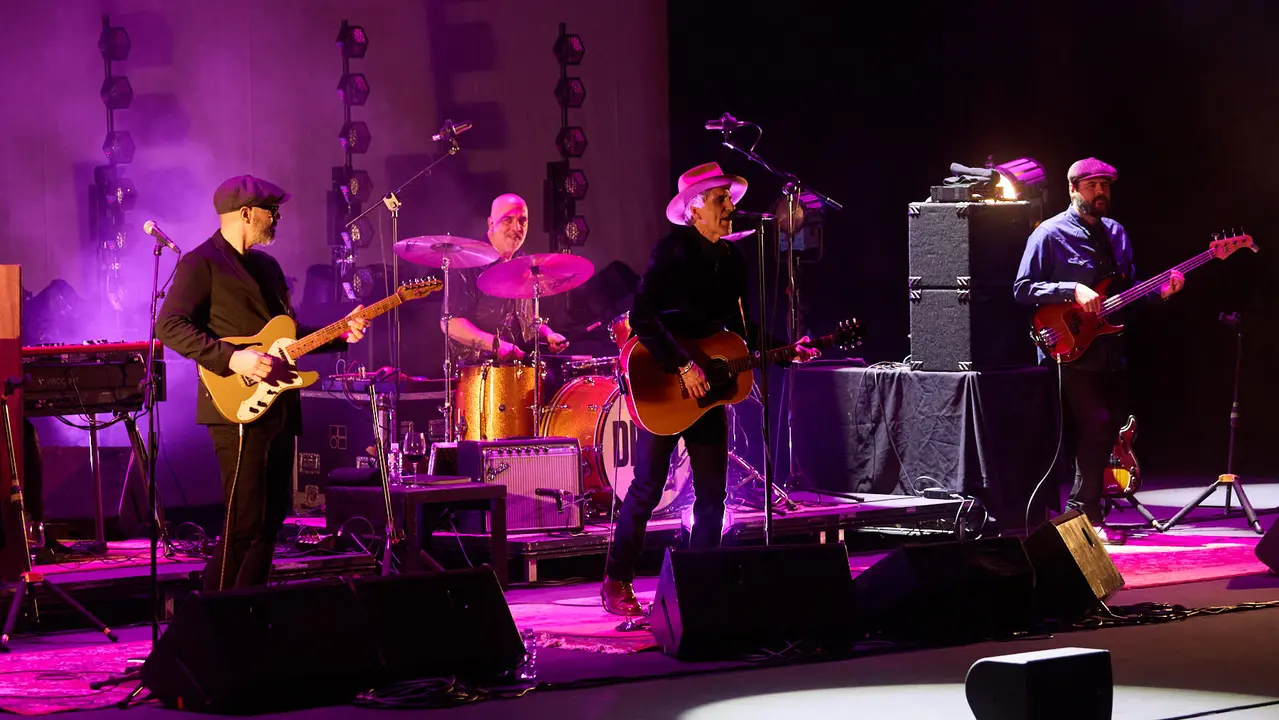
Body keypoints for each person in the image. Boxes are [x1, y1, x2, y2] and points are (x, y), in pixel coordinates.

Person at [600, 163, 819, 615]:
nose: (730, 207)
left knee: (712, 495)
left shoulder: (733, 261)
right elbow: (642, 318)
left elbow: (741, 331)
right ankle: (616, 580)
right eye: (721, 200)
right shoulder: (671, 252)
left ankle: (698, 583)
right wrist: (682, 365)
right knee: (646, 487)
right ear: (694, 207)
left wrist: (783, 348)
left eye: (730, 199)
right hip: (665, 379)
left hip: (709, 393)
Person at [157, 175, 370, 590]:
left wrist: (339, 334)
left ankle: (246, 609)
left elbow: (286, 336)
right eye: (272, 212)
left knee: (271, 520)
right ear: (246, 213)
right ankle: (211, 616)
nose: (278, 219)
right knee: (244, 519)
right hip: (235, 406)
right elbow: (168, 325)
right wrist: (233, 357)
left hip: (280, 406)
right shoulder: (200, 264)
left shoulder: (267, 266)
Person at [1014, 158, 1183, 540]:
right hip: (1068, 346)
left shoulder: (1116, 233)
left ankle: (1087, 508)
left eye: (1106, 185)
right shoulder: (1049, 234)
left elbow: (1128, 291)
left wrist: (1162, 293)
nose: (1101, 192)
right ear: (1073, 189)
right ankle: (1084, 512)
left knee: (1105, 431)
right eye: (1093, 186)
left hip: (1110, 346)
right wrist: (1071, 289)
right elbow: (1022, 289)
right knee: (1097, 424)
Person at [439, 193, 569, 361]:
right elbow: (450, 323)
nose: (517, 228)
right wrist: (495, 344)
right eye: (508, 220)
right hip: (478, 370)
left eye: (522, 221)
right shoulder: (468, 263)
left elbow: (527, 320)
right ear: (491, 224)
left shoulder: (524, 262)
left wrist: (548, 334)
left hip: (518, 366)